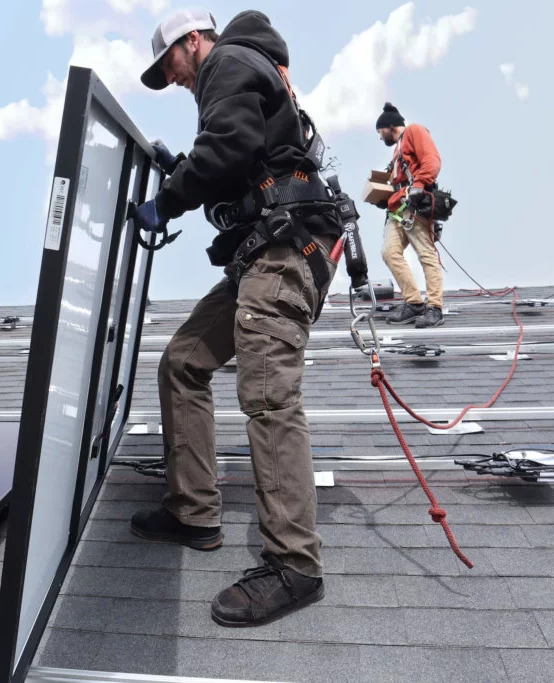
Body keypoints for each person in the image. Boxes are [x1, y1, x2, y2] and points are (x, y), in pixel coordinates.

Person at [127, 8, 368, 628]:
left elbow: (230, 145)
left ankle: (295, 566)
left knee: (267, 394)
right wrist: (183, 165)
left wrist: (168, 198)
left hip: (285, 255)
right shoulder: (242, 72)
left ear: (193, 40)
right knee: (184, 361)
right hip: (262, 254)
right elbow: (240, 155)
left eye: (170, 65)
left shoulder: (226, 63)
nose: (173, 78)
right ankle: (193, 511)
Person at [376, 102, 445, 328]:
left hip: (413, 205)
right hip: (397, 209)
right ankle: (414, 304)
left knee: (426, 254)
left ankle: (434, 308)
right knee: (389, 252)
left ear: (389, 126)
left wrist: (420, 184)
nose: (380, 137)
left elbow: (432, 160)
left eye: (380, 131)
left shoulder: (414, 131)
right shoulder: (397, 151)